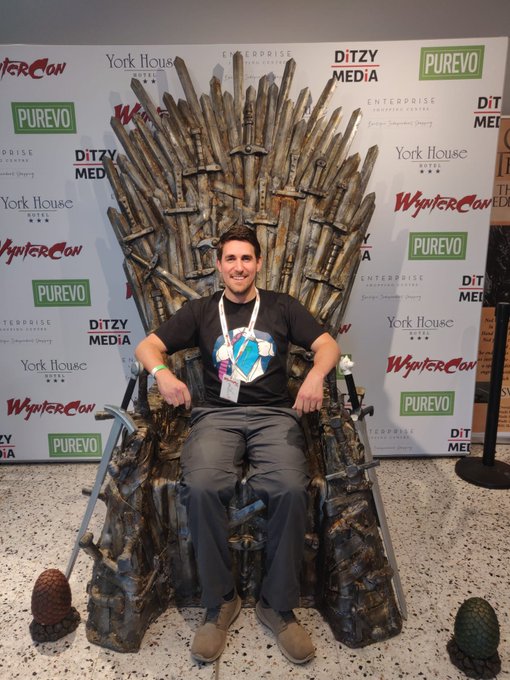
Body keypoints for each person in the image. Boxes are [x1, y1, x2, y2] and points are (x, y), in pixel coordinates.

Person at [135, 225, 340, 665]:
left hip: (274, 416)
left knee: (290, 488)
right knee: (202, 487)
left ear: (258, 263)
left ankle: (277, 605)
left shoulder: (282, 306)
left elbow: (327, 345)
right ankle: (220, 602)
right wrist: (162, 374)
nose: (239, 266)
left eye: (247, 258)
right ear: (219, 265)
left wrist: (316, 375)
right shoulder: (201, 310)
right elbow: (148, 346)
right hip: (217, 416)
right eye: (231, 259)